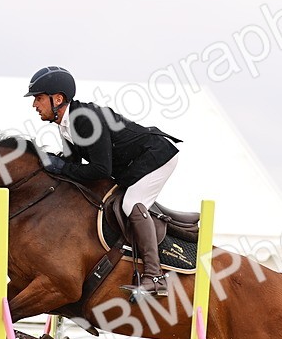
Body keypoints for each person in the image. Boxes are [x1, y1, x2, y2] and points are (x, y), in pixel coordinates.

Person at [25, 66, 181, 297]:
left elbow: (100, 170)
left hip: (157, 156)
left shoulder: (85, 120)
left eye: (38, 98)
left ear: (57, 99)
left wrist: (61, 166)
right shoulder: (66, 124)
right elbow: (72, 164)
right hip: (134, 164)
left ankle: (155, 276)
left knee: (131, 204)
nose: (34, 105)